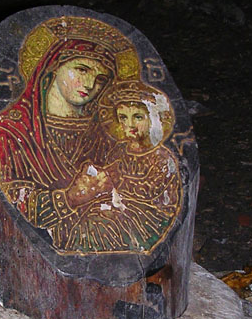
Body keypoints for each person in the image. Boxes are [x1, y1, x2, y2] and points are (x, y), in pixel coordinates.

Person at [0, 16, 140, 252]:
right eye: (81, 69)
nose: (90, 84)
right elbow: (11, 205)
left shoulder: (107, 132)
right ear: (53, 66)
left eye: (101, 79)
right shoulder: (12, 130)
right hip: (40, 253)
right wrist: (70, 197)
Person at [51, 80, 182, 253]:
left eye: (138, 117)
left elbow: (157, 199)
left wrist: (115, 188)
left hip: (147, 218)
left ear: (153, 118)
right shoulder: (120, 150)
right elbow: (111, 175)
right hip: (115, 206)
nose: (130, 125)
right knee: (68, 223)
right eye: (123, 117)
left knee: (94, 226)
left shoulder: (161, 158)